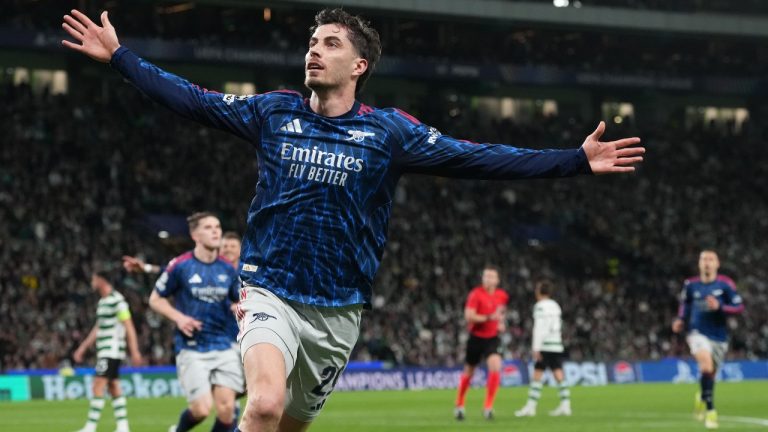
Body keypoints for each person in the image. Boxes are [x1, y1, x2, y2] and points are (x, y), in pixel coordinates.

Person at [61, 8, 644, 431]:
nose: (314, 49)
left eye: (330, 42)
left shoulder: (390, 131)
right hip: (269, 291)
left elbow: (478, 157)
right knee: (260, 405)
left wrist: (574, 161)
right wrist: (121, 57)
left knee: (286, 425)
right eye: (312, 40)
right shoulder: (274, 112)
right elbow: (192, 98)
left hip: (338, 312)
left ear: (359, 64)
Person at [148, 212, 243, 432]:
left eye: (217, 227)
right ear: (195, 235)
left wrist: (238, 306)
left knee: (227, 409)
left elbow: (238, 299)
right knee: (201, 410)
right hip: (192, 347)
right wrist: (179, 318)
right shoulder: (180, 266)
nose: (215, 231)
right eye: (208, 227)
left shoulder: (228, 269)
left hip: (223, 345)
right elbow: (155, 299)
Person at [672, 250, 744, 430]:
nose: (707, 262)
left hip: (719, 337)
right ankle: (711, 411)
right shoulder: (690, 285)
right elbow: (685, 305)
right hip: (697, 333)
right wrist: (680, 319)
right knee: (705, 365)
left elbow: (738, 307)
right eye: (704, 259)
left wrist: (720, 307)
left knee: (710, 375)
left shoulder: (725, 284)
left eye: (711, 259)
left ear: (717, 264)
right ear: (699, 263)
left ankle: (702, 397)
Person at [72, 271, 143, 432]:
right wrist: (83, 347)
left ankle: (90, 427)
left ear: (101, 280)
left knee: (97, 385)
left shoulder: (117, 301)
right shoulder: (103, 302)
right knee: (113, 386)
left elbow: (129, 326)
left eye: (94, 278)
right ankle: (123, 426)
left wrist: (135, 351)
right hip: (105, 349)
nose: (92, 281)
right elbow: (98, 328)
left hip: (112, 349)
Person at [454, 265, 508, 421]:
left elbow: (501, 311)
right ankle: (459, 404)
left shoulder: (502, 295)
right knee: (469, 371)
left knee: (495, 365)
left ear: (497, 280)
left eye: (491, 276)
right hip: (476, 337)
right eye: (486, 276)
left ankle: (488, 407)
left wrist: (501, 322)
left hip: (492, 338)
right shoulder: (475, 294)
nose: (488, 279)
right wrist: (489, 318)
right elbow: (469, 316)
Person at [515, 279, 570, 417]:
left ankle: (531, 407)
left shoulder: (540, 306)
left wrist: (536, 347)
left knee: (537, 374)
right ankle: (566, 405)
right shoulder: (555, 305)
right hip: (556, 343)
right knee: (558, 373)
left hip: (545, 345)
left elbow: (540, 328)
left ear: (540, 291)